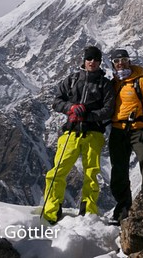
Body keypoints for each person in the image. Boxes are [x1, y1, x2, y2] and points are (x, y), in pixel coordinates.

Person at [41, 45, 115, 224]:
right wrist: (71, 108)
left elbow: (108, 110)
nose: (92, 62)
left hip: (93, 133)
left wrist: (87, 115)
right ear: (84, 60)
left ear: (100, 62)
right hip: (71, 132)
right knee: (57, 171)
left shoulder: (105, 84)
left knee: (91, 174)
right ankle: (51, 210)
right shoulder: (72, 80)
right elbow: (57, 102)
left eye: (96, 60)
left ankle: (88, 211)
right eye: (89, 59)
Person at [107, 48, 143, 224]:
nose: (120, 63)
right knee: (118, 170)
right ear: (112, 64)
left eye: (123, 60)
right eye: (116, 61)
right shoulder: (112, 83)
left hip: (139, 129)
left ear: (129, 61)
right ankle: (123, 209)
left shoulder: (140, 80)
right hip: (117, 130)